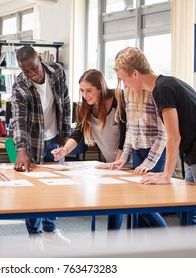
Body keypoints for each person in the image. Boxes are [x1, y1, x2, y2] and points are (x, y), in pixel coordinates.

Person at [113, 47, 196, 226]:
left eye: (124, 79)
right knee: (188, 211)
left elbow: (173, 135)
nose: (124, 85)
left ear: (135, 73)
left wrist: (166, 174)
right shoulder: (166, 83)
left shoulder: (162, 90)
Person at [11, 46, 72, 250]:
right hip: (33, 142)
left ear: (40, 59)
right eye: (26, 70)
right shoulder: (20, 83)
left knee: (54, 188)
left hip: (54, 138)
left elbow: (65, 101)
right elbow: (18, 118)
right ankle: (34, 235)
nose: (31, 74)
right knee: (33, 192)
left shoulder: (56, 72)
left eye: (34, 68)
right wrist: (20, 150)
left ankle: (50, 230)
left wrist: (66, 135)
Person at [51, 69, 126, 230]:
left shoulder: (119, 100)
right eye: (82, 91)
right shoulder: (86, 108)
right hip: (111, 163)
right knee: (114, 205)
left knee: (144, 210)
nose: (85, 95)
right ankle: (112, 245)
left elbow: (126, 135)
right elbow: (77, 133)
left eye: (89, 90)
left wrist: (119, 162)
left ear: (100, 88)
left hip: (128, 159)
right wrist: (64, 150)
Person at [103, 86, 168, 228]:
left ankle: (165, 243)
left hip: (155, 151)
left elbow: (164, 134)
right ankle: (139, 248)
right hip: (138, 151)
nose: (123, 84)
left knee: (149, 206)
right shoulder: (127, 93)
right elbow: (130, 128)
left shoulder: (155, 92)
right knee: (139, 205)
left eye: (124, 78)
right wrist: (124, 156)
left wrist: (148, 163)